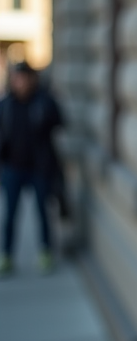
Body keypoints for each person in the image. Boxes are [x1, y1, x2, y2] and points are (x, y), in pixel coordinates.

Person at [0, 61, 64, 275]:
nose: (20, 83)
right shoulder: (6, 104)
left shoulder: (43, 101)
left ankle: (46, 252)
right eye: (16, 79)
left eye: (23, 78)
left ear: (31, 79)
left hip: (39, 167)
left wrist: (48, 107)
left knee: (42, 212)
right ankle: (7, 255)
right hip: (13, 168)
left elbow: (60, 121)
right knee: (10, 215)